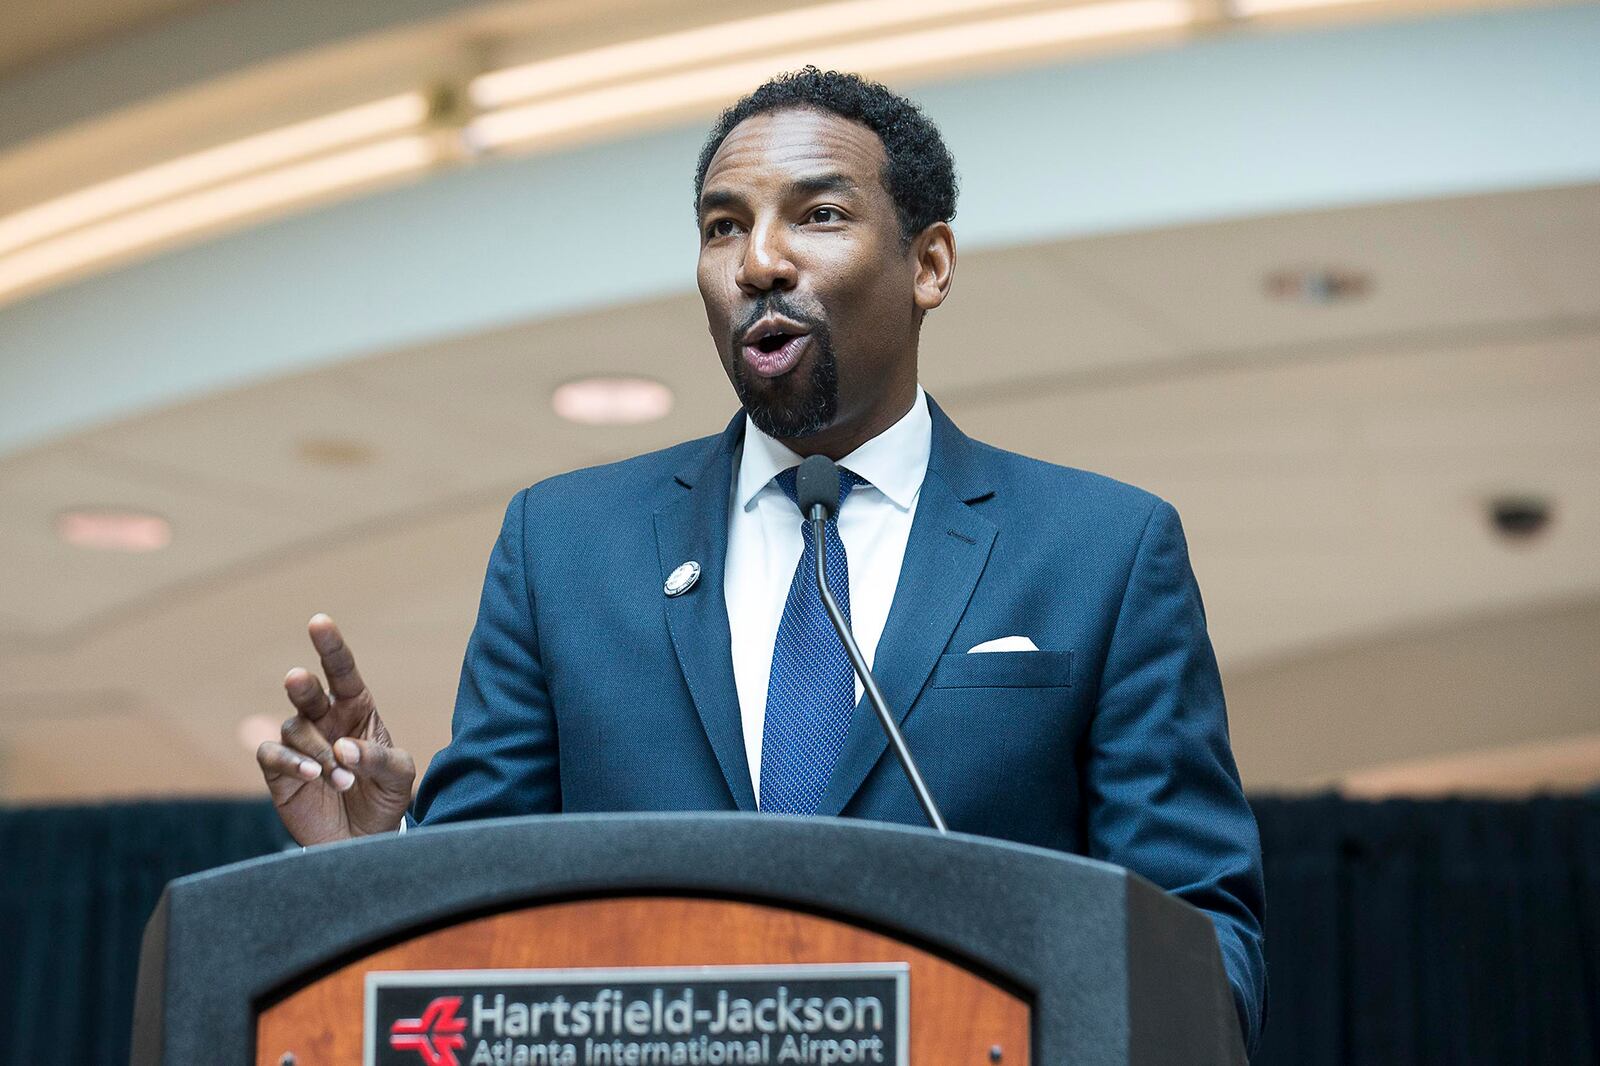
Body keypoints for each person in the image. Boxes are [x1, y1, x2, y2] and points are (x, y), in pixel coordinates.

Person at [255, 67, 1266, 1052]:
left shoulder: (1101, 548)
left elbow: (1198, 937)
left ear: (929, 265)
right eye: (723, 226)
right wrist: (364, 866)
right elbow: (474, 935)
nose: (759, 262)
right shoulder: (561, 548)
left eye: (817, 215)